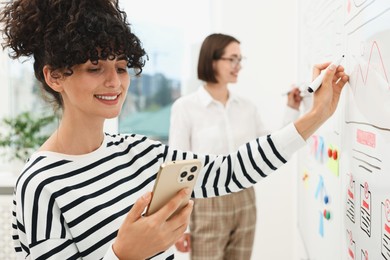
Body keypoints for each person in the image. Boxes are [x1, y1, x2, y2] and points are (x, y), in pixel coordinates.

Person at [0, 0, 349, 259]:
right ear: (54, 76)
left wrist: (316, 116)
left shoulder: (137, 152)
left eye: (121, 67)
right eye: (95, 67)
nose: (114, 81)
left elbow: (228, 170)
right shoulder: (41, 182)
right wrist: (124, 254)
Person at [169, 33, 303, 260]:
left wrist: (291, 107)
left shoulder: (247, 108)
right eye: (232, 59)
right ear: (212, 60)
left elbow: (272, 146)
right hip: (207, 202)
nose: (238, 66)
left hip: (245, 198)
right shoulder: (186, 107)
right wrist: (179, 224)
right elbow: (178, 168)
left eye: (240, 59)